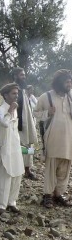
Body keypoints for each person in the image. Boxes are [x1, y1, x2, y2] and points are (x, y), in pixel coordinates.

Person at [34, 70, 72, 208]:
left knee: (64, 168)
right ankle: (47, 195)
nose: (69, 84)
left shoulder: (71, 96)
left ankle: (58, 194)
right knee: (51, 167)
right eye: (67, 81)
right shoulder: (46, 96)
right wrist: (47, 113)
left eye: (70, 81)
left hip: (69, 139)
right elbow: (36, 113)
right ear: (59, 82)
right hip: (53, 138)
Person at [0, 83, 24, 214]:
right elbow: (5, 123)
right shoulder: (1, 109)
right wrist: (10, 111)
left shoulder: (14, 108)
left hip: (15, 147)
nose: (16, 96)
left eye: (17, 93)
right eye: (13, 93)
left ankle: (11, 202)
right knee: (4, 175)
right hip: (4, 147)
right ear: (5, 95)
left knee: (17, 173)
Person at [12, 67, 38, 180]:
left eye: (24, 75)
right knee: (19, 146)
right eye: (21, 75)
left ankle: (28, 169)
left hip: (29, 124)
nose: (24, 77)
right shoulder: (12, 90)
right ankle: (18, 169)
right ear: (16, 76)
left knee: (30, 146)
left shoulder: (24, 90)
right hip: (19, 124)